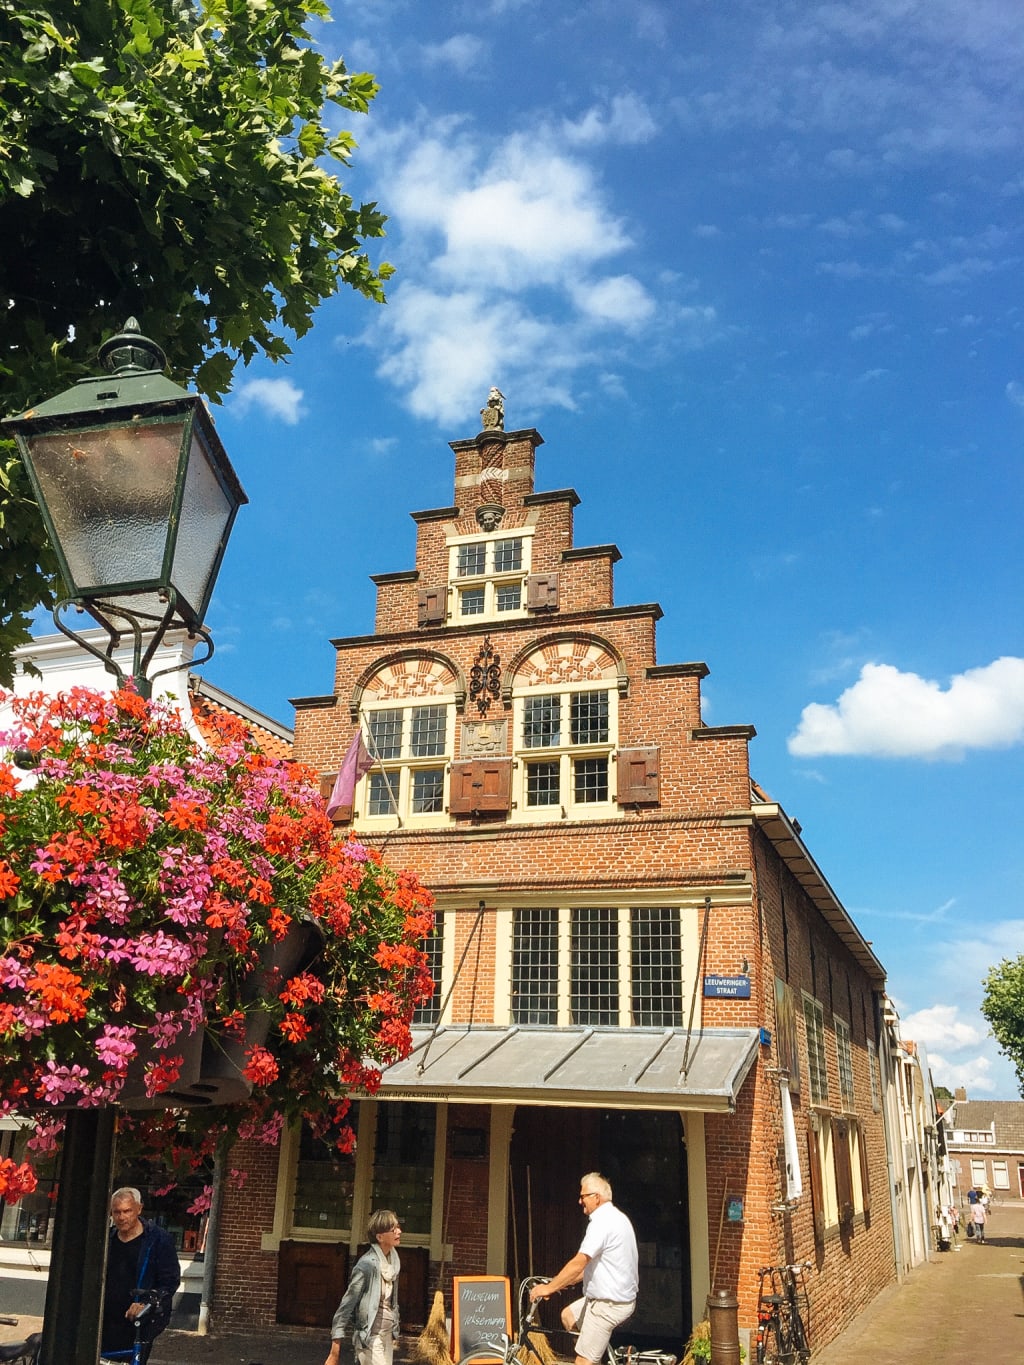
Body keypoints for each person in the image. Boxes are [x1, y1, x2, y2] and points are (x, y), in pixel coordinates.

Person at [529, 1173, 638, 1365]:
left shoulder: (602, 1223)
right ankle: (594, 1353)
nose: (580, 1201)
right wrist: (557, 1282)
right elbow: (589, 1268)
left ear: (596, 1197)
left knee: (582, 1361)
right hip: (612, 1298)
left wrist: (548, 1289)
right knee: (569, 1316)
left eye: (583, 1196)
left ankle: (589, 1358)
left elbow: (579, 1262)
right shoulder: (617, 1217)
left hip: (608, 1304)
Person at [101, 1187, 181, 1364]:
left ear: (139, 1209)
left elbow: (169, 1282)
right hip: (106, 1318)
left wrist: (145, 1304)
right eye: (117, 1212)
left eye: (127, 1211)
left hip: (139, 1322)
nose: (122, 1217)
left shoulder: (158, 1240)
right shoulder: (107, 1240)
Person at [326, 1210, 402, 1365]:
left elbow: (391, 1303)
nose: (399, 1231)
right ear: (380, 1237)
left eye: (398, 1227)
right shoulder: (366, 1265)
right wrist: (335, 1351)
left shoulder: (393, 1262)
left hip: (387, 1336)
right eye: (393, 1229)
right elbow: (346, 1306)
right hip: (370, 1339)